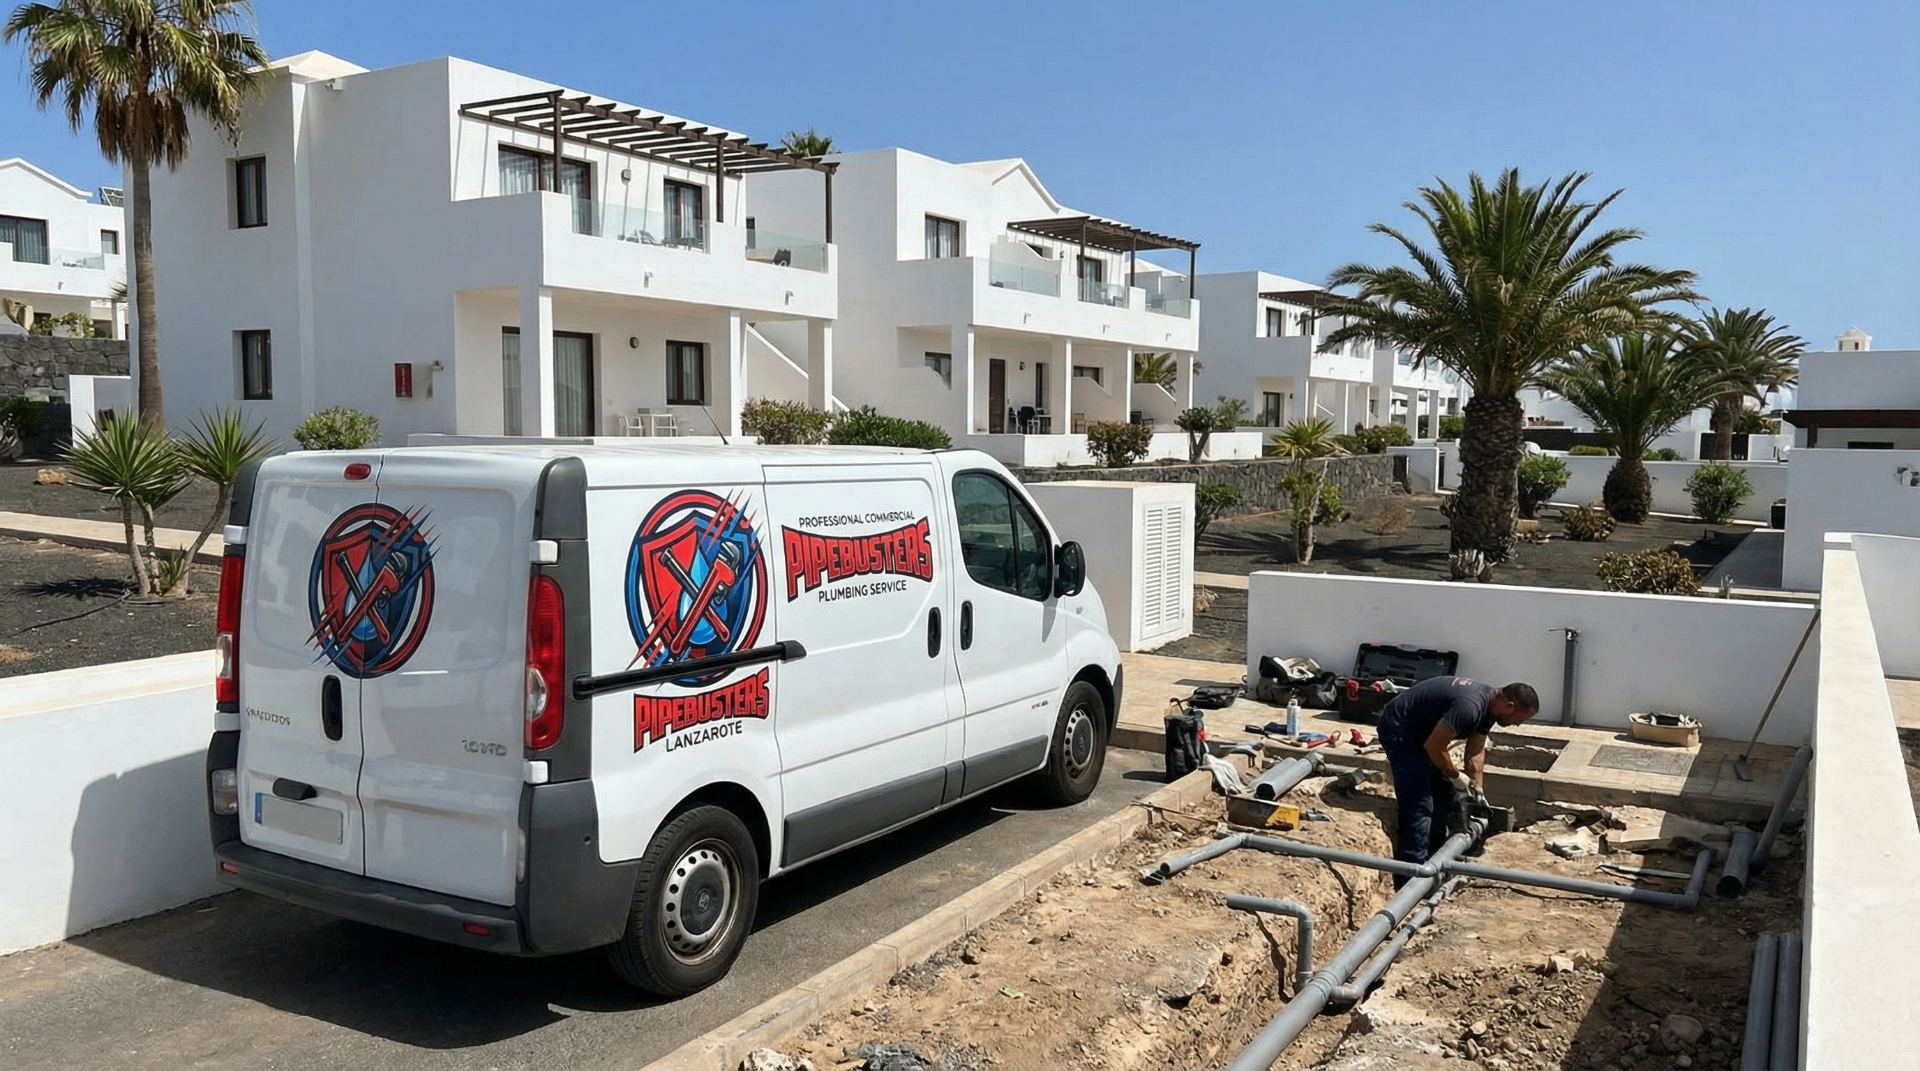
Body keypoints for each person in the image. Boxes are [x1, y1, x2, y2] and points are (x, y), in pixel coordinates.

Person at [1376, 677, 1540, 875]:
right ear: (1509, 706)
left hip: (1425, 734)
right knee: (1420, 805)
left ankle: (1435, 861)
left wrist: (1477, 791)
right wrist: (1455, 775)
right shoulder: (1469, 707)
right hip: (1399, 728)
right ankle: (1411, 875)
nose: (1518, 725)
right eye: (1519, 719)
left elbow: (1475, 752)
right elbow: (1434, 746)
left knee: (1443, 795)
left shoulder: (1489, 710)